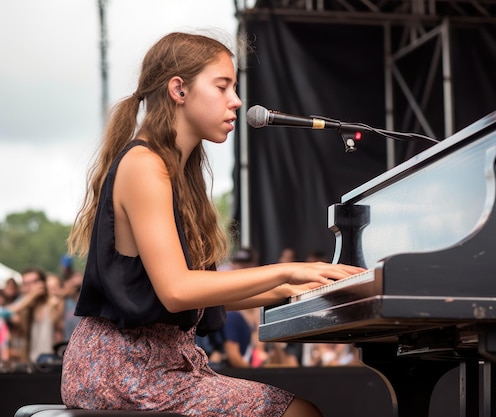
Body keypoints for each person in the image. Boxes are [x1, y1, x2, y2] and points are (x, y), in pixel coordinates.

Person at [60, 31, 363, 417]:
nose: (236, 101)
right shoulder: (144, 164)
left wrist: (294, 286)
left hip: (155, 365)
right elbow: (177, 290)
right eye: (223, 87)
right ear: (179, 90)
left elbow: (202, 292)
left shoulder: (177, 172)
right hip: (124, 369)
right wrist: (286, 268)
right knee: (299, 413)